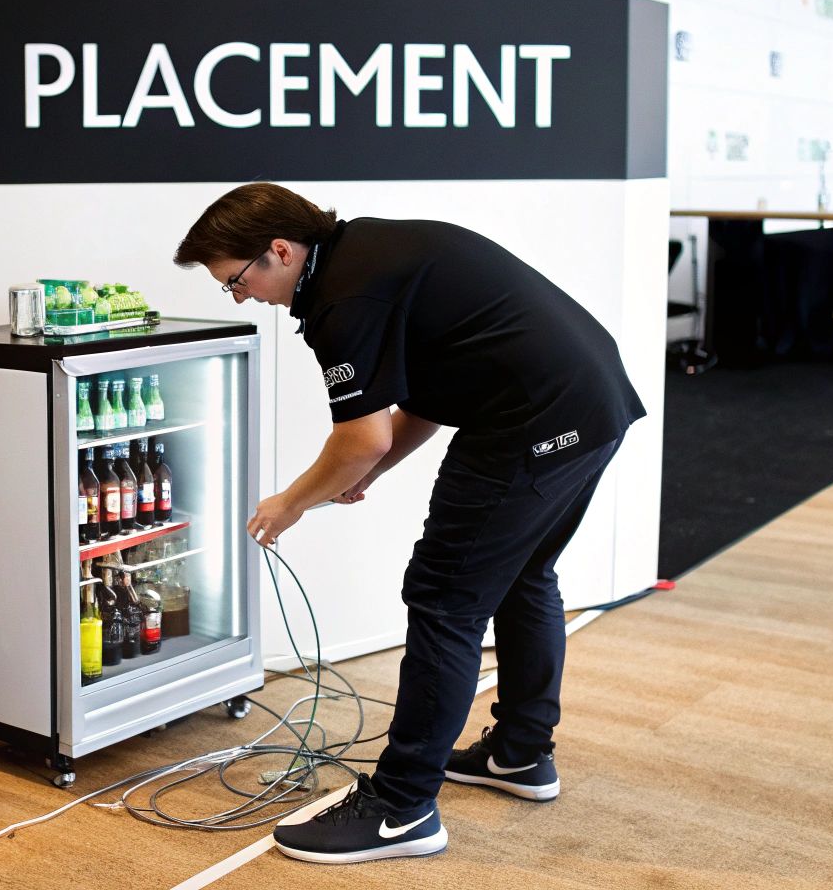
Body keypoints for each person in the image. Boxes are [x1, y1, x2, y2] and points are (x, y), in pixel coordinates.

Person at [173, 183, 645, 864]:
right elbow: (425, 391)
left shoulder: (344, 300)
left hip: (534, 421)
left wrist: (292, 502)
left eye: (236, 282)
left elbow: (358, 438)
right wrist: (372, 472)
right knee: (523, 577)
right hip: (589, 404)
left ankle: (401, 808)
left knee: (444, 598)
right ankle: (519, 755)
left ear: (279, 250)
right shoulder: (369, 253)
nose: (241, 297)